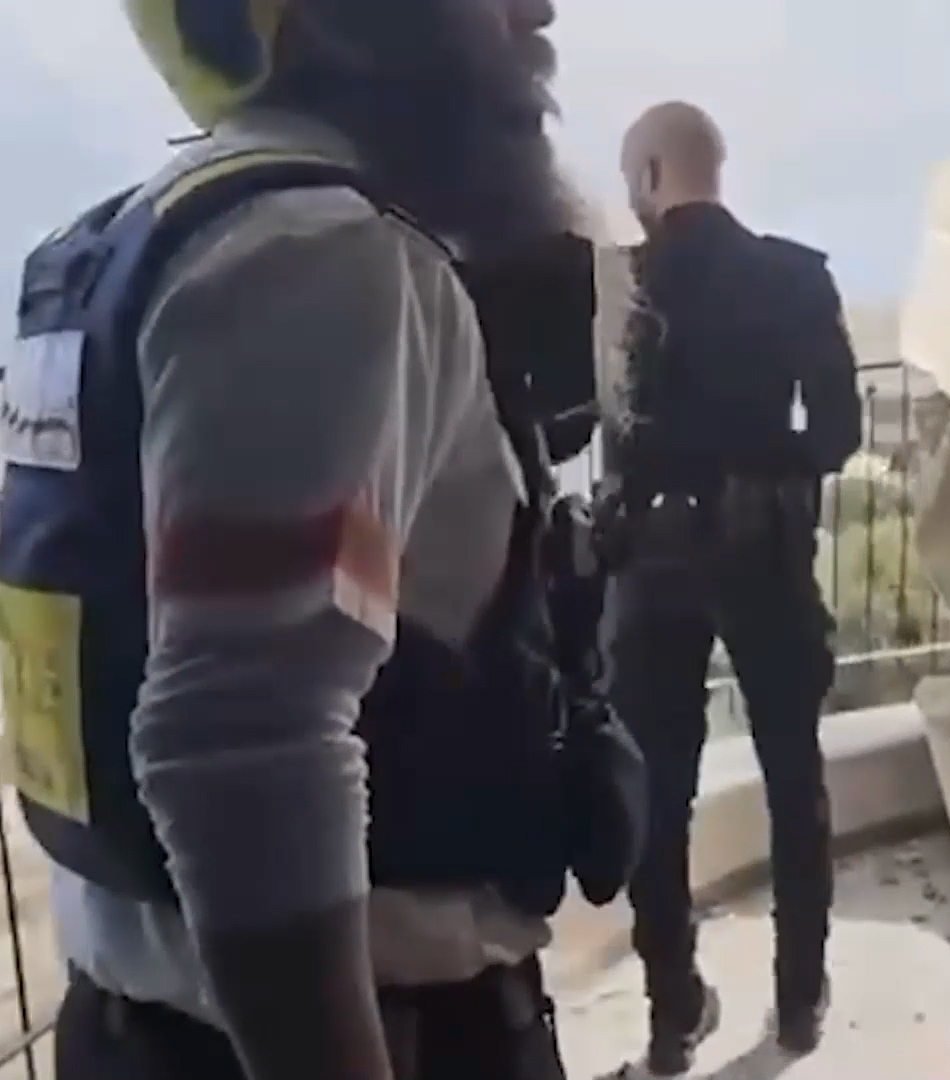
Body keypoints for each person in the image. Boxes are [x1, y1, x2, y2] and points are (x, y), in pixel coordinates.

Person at [0, 0, 640, 1077]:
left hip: (142, 1029)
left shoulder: (125, 241)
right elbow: (242, 747)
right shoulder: (318, 251)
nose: (538, 9)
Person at [599, 100, 861, 1075]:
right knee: (794, 775)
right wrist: (755, 462)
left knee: (658, 791)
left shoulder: (622, 286)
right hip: (766, 555)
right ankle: (798, 1003)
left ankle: (673, 1012)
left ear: (652, 174)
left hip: (651, 567)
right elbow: (837, 434)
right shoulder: (794, 276)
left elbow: (585, 425)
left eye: (631, 177)